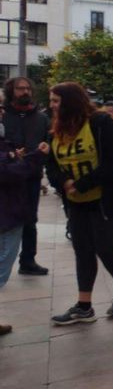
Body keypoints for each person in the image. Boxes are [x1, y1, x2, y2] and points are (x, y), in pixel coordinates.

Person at [46, 82, 113, 325]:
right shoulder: (55, 128)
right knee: (83, 250)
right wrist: (63, 182)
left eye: (56, 101)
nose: (51, 105)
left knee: (105, 247)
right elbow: (51, 163)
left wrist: (82, 183)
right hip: (75, 201)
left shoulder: (100, 123)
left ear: (71, 101)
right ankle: (84, 305)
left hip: (106, 198)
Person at [0, 129, 48, 335]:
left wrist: (16, 157)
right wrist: (35, 157)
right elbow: (8, 173)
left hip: (8, 212)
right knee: (2, 264)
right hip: (6, 214)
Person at [1, 77, 51, 275]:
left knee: (30, 219)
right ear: (11, 91)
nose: (25, 92)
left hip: (31, 177)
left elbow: (49, 143)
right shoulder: (3, 116)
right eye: (20, 89)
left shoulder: (41, 118)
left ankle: (28, 260)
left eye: (28, 88)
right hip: (6, 178)